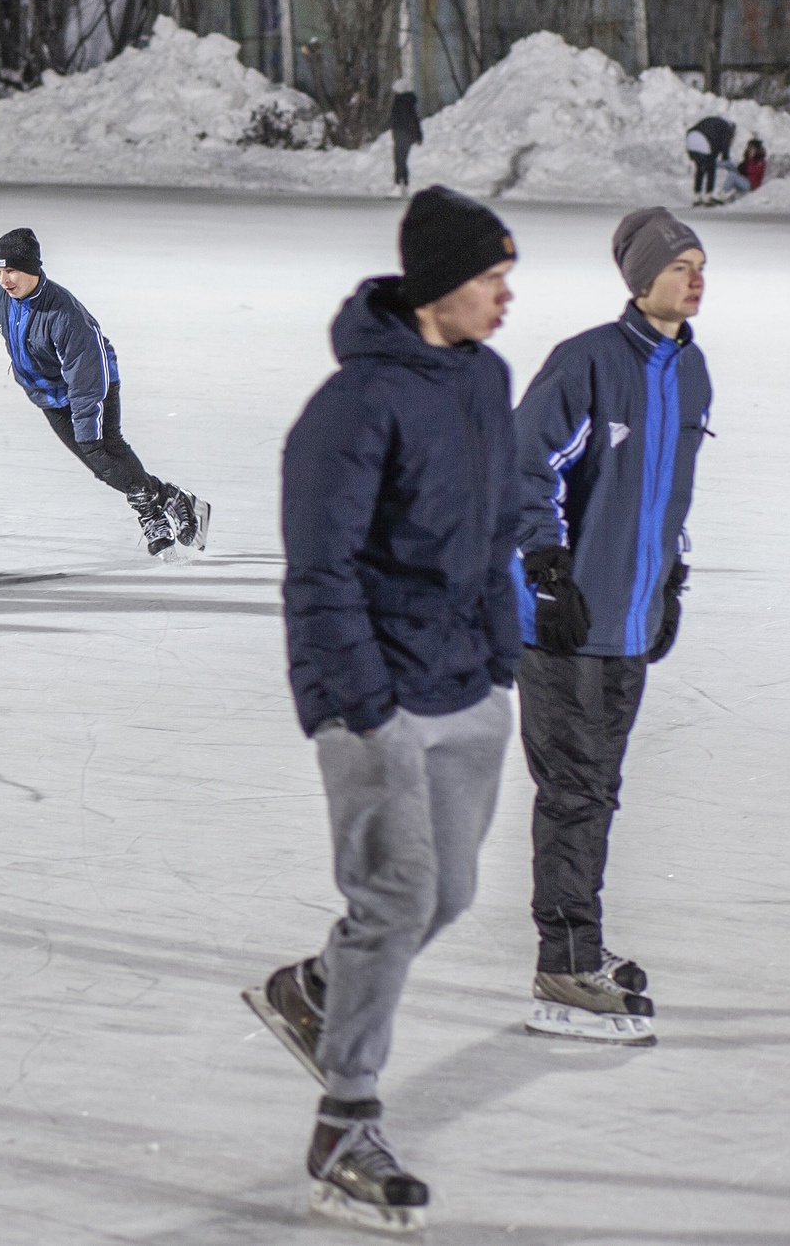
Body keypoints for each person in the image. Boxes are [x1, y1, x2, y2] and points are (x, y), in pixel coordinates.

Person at [246, 186, 522, 1234]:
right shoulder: (353, 406)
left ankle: (319, 988)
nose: (504, 297)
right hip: (380, 699)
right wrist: (355, 701)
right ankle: (345, 1123)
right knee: (396, 897)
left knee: (444, 896)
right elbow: (318, 569)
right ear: (441, 287)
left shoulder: (484, 379)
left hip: (465, 683)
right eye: (490, 279)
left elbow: (495, 528)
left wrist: (499, 651)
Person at [510, 208, 714, 1048]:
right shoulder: (589, 360)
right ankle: (564, 963)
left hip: (629, 621)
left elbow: (670, 497)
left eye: (703, 265)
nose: (697, 278)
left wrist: (671, 584)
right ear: (641, 280)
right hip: (564, 623)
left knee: (597, 792)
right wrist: (544, 565)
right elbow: (525, 462)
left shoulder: (692, 373)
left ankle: (577, 946)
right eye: (682, 266)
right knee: (573, 793)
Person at [0, 228, 208, 561]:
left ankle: (152, 514)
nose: (4, 279)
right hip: (48, 393)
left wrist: (88, 425)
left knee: (103, 451)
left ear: (33, 269)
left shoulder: (64, 314)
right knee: (101, 464)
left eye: (12, 270)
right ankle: (173, 499)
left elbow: (86, 375)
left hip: (94, 384)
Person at [684, 115, 734, 207]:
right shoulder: (726, 127)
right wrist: (725, 157)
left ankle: (697, 196)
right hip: (703, 141)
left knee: (699, 169)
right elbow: (725, 143)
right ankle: (708, 196)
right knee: (711, 169)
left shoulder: (713, 121)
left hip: (691, 138)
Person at [389, 83, 423, 195]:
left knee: (399, 160)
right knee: (401, 160)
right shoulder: (409, 103)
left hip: (402, 135)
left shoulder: (400, 103)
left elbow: (399, 120)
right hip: (407, 135)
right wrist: (418, 136)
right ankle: (404, 184)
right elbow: (415, 119)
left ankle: (399, 184)